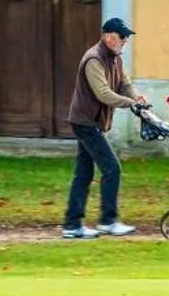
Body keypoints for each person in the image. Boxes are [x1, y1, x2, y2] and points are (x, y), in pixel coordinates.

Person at [62, 16, 149, 240]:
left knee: (83, 173)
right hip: (85, 122)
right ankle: (108, 221)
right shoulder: (94, 59)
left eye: (127, 38)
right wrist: (130, 103)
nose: (125, 41)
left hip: (93, 122)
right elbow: (103, 93)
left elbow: (124, 83)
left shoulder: (115, 58)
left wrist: (136, 96)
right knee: (112, 168)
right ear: (109, 37)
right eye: (123, 37)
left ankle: (72, 225)